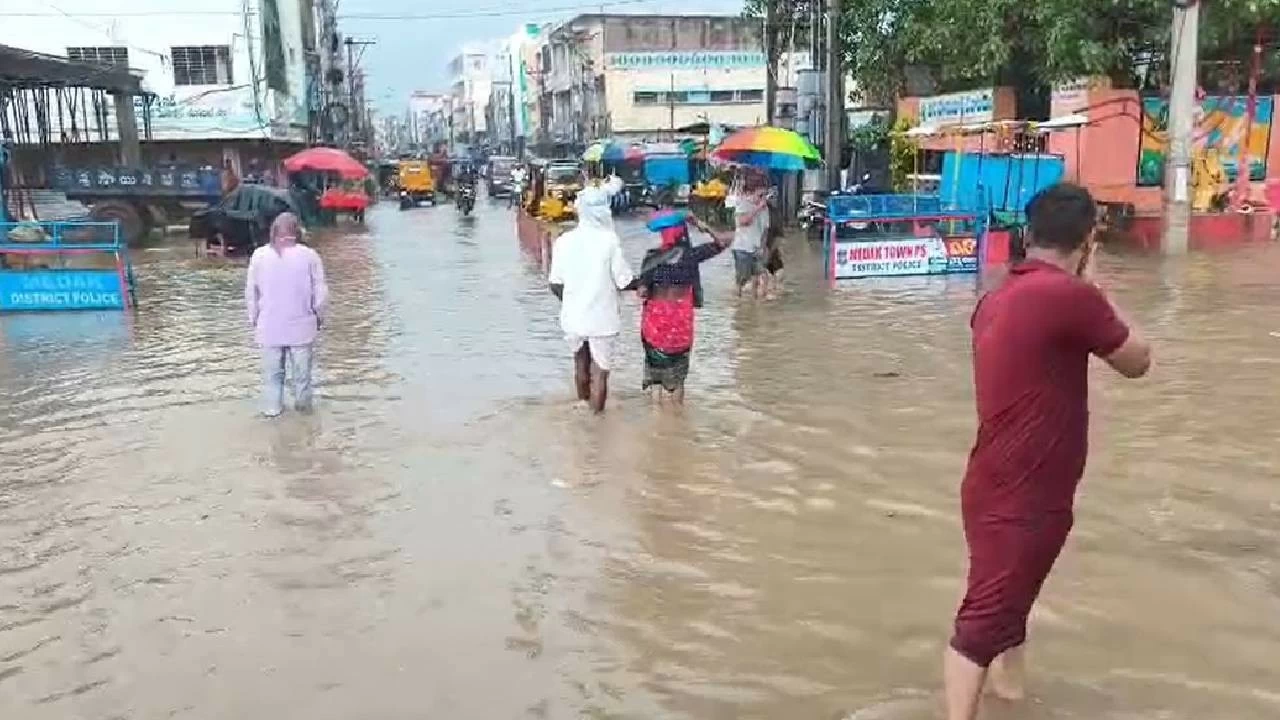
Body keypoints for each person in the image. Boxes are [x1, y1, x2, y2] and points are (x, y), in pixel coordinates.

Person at [944, 183, 1152, 720]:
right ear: (1087, 241)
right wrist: (1096, 285)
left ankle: (1011, 702)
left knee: (1008, 609)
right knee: (982, 624)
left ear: (1028, 235)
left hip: (992, 481)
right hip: (1026, 490)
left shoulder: (997, 294)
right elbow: (1138, 361)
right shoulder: (1069, 296)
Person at [547, 184, 636, 414]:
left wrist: (571, 300)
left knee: (580, 362)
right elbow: (624, 280)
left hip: (573, 316)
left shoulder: (563, 241)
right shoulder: (609, 241)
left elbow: (555, 283)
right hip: (602, 317)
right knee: (600, 370)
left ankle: (582, 407)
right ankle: (597, 423)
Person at [637, 210, 731, 404]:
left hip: (655, 327)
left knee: (656, 378)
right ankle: (676, 418)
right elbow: (723, 242)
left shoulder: (652, 257)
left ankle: (657, 420)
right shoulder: (691, 256)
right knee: (678, 380)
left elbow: (642, 292)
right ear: (682, 232)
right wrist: (702, 225)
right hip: (681, 326)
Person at [245, 212, 329, 418]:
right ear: (297, 231)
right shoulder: (310, 256)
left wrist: (254, 319)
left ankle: (273, 416)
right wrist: (319, 317)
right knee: (302, 379)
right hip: (302, 327)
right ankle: (304, 421)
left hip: (269, 328)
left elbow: (251, 294)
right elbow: (320, 295)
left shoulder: (259, 256)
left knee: (273, 378)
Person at [730, 180, 770, 298]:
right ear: (751, 193)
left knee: (762, 276)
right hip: (742, 248)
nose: (763, 198)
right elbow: (742, 221)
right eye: (760, 195)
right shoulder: (743, 204)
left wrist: (763, 247)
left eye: (765, 195)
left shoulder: (765, 209)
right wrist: (757, 208)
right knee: (742, 280)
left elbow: (765, 230)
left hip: (756, 248)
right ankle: (738, 303)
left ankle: (757, 306)